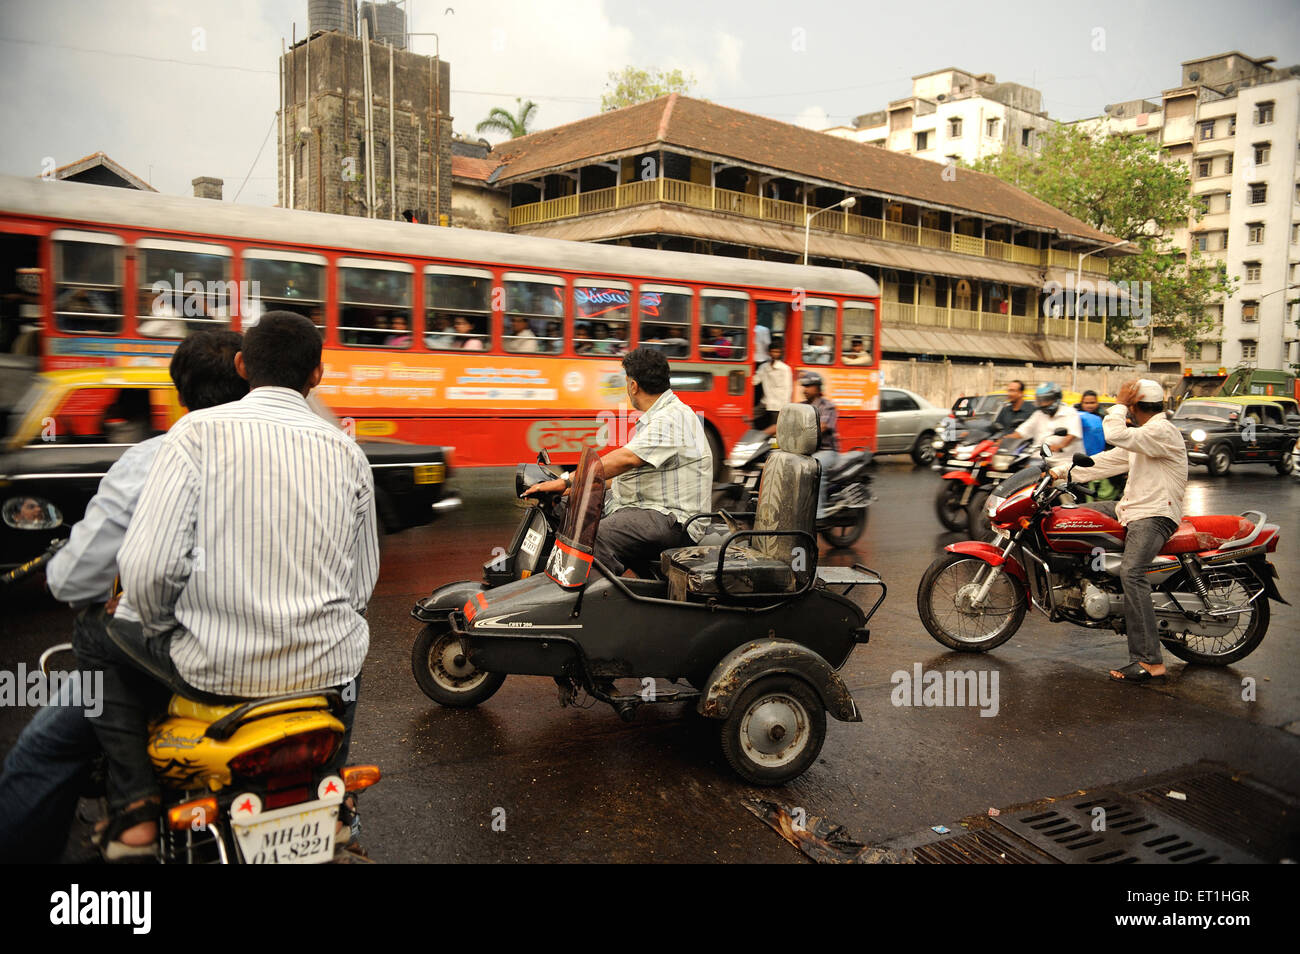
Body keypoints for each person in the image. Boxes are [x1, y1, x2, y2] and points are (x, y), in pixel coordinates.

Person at [72, 312, 379, 858]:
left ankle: (136, 810)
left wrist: (166, 626)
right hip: (324, 675)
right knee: (348, 638)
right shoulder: (348, 453)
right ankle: (333, 804)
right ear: (318, 374)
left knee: (93, 632)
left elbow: (148, 573)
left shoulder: (193, 435)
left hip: (211, 672)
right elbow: (359, 589)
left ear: (243, 365)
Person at [0, 330, 249, 863]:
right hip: (293, 661)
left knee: (40, 750)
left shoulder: (147, 462)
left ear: (179, 393)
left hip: (179, 660)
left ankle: (133, 806)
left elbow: (76, 579)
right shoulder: (294, 456)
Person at [522, 347, 712, 578]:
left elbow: (626, 459)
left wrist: (565, 480)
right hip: (648, 508)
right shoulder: (660, 417)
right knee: (565, 509)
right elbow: (626, 476)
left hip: (673, 520)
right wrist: (573, 490)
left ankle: (588, 605)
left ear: (633, 385)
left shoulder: (672, 418)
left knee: (593, 537)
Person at [1054, 379, 1187, 684]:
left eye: (1130, 406)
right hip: (1132, 508)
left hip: (1154, 515)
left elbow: (1114, 434)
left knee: (1132, 572)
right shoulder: (1145, 437)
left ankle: (1150, 661)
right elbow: (1107, 461)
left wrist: (1119, 404)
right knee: (1077, 515)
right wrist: (1060, 472)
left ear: (1136, 407)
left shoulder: (1161, 431)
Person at [1010, 382, 1082, 464]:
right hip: (1039, 458)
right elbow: (1022, 432)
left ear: (1056, 398)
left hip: (1063, 460)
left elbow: (1072, 435)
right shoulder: (1038, 414)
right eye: (1040, 400)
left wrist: (1059, 446)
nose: (1042, 403)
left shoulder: (1070, 413)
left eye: (1046, 400)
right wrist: (1003, 440)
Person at [800, 372, 840, 518]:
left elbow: (822, 427)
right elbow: (784, 421)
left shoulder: (827, 407)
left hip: (826, 450)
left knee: (815, 467)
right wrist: (764, 433)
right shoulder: (801, 406)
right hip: (804, 450)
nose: (805, 389)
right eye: (804, 386)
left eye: (809, 386)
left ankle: (819, 513)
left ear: (817, 388)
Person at [752, 340, 793, 432]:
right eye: (773, 351)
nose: (775, 354)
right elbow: (755, 380)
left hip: (778, 404)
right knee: (750, 418)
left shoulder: (785, 369)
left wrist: (785, 407)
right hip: (765, 402)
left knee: (776, 429)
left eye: (777, 352)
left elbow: (788, 389)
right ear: (769, 352)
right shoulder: (764, 367)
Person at [1076, 389, 1106, 456]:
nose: (1089, 406)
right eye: (1086, 403)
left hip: (1099, 455)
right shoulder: (1075, 417)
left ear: (1097, 403)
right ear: (1082, 403)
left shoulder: (1104, 418)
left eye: (1092, 403)